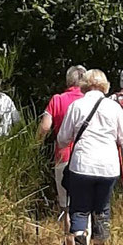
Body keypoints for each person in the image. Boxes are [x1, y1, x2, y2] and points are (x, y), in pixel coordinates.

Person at [56, 70, 123, 245]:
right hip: (108, 167)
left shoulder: (76, 106)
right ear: (105, 86)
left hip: (81, 165)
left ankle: (81, 244)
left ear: (84, 85)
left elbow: (63, 139)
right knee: (102, 208)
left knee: (80, 209)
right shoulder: (113, 107)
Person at [36, 65, 86, 220]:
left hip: (63, 156)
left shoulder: (57, 100)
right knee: (85, 205)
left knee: (66, 206)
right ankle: (83, 239)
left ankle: (69, 240)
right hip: (86, 157)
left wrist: (35, 145)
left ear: (67, 81)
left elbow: (44, 127)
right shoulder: (89, 101)